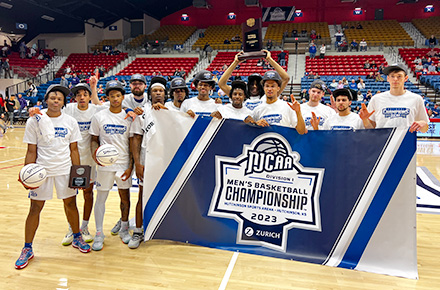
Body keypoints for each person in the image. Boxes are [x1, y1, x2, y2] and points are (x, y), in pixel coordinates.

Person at [15, 84, 90, 269]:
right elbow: (31, 150)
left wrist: (78, 173)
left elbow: (74, 149)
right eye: (53, 97)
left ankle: (77, 237)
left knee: (71, 204)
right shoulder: (35, 120)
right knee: (35, 208)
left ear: (63, 102)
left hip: (64, 170)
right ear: (46, 100)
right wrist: (27, 174)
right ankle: (27, 248)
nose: (56, 100)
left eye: (60, 98)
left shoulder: (70, 121)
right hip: (42, 171)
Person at [57, 78, 104, 246]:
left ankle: (84, 226)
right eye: (79, 95)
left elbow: (115, 107)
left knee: (88, 194)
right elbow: (50, 111)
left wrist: (130, 110)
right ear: (75, 97)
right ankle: (72, 227)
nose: (82, 97)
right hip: (69, 160)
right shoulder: (69, 109)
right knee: (69, 197)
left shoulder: (96, 110)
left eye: (85, 94)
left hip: (89, 160)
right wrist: (35, 111)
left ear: (89, 96)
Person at [89, 80, 133, 251]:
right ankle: (99, 232)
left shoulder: (129, 117)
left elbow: (131, 143)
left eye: (118, 95)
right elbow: (93, 140)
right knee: (101, 198)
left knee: (125, 198)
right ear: (107, 97)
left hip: (122, 163)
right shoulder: (99, 116)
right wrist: (96, 156)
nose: (115, 98)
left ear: (123, 97)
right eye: (112, 96)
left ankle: (124, 227)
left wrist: (130, 166)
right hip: (105, 164)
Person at [128, 76, 168, 249]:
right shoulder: (142, 112)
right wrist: (137, 163)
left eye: (161, 91)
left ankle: (163, 228)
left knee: (166, 196)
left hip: (167, 161)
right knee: (142, 197)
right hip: (147, 160)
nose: (158, 93)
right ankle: (138, 230)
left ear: (165, 94)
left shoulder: (173, 110)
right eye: (155, 91)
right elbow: (135, 139)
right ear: (150, 94)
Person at [359, 63, 429, 133]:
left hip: (406, 142)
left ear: (406, 78)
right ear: (388, 78)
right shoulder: (376, 99)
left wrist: (423, 124)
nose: (395, 79)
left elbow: (425, 129)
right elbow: (372, 129)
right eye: (392, 76)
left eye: (399, 76)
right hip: (383, 142)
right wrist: (365, 120)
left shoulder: (416, 99)